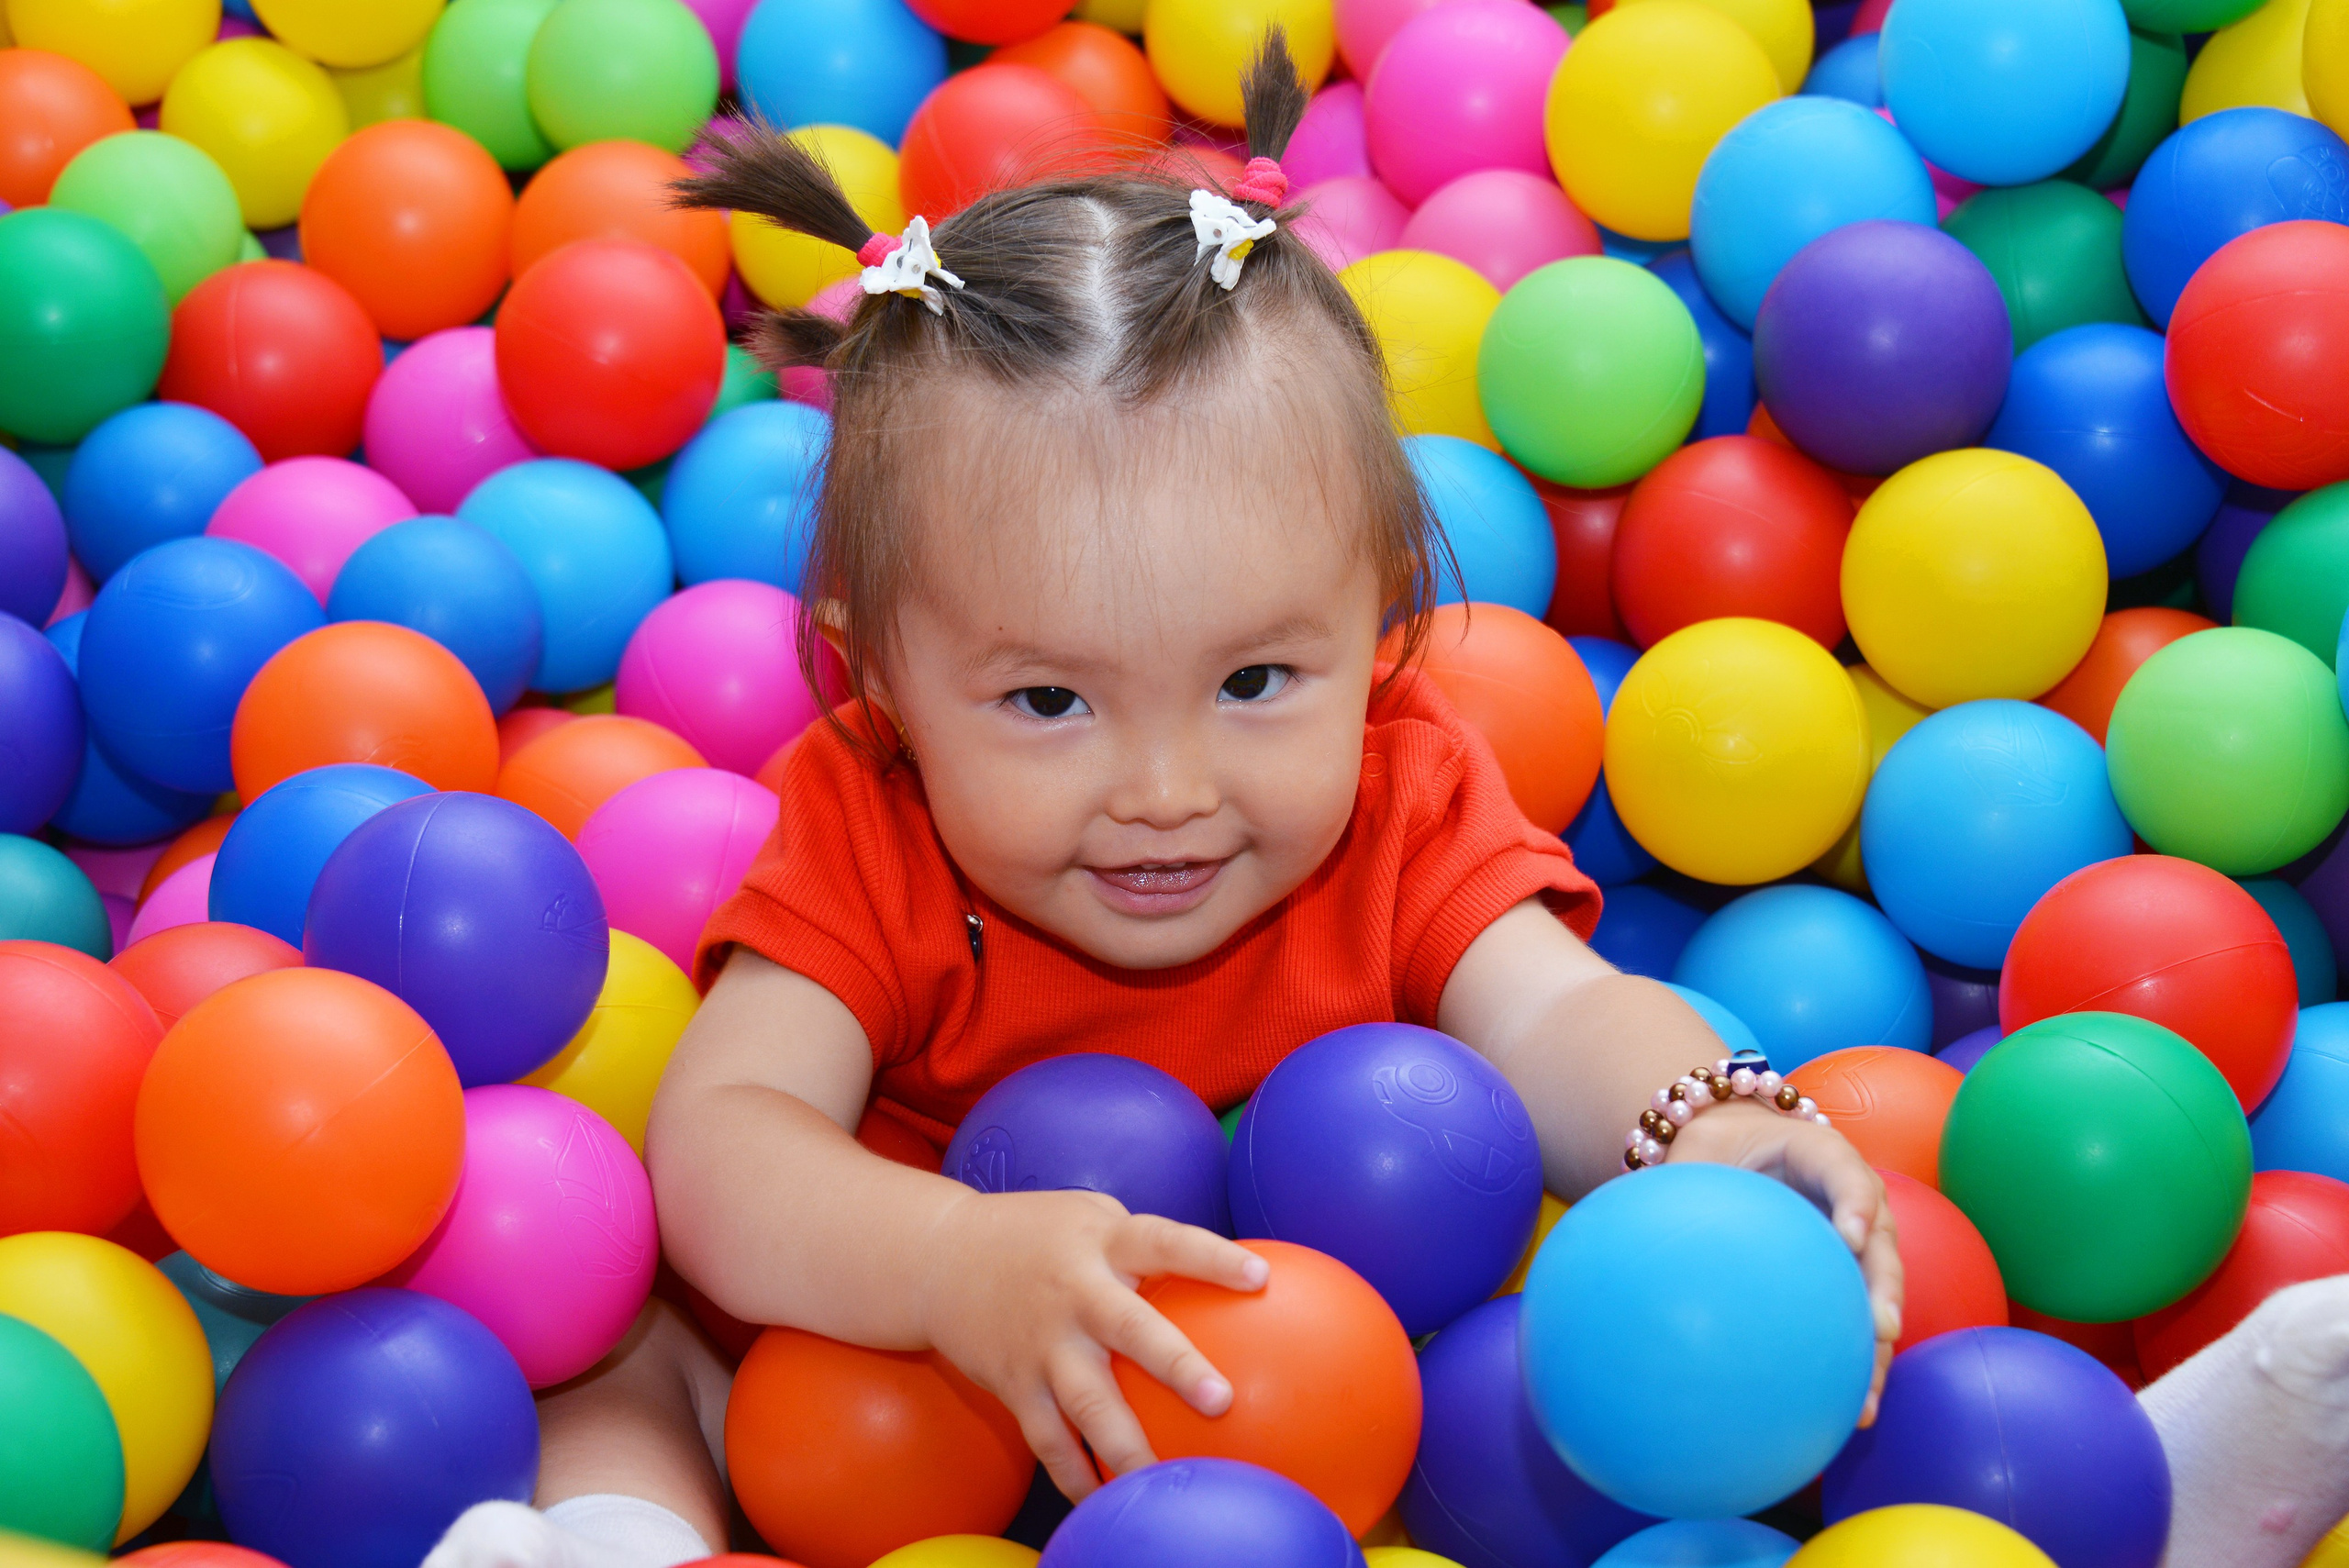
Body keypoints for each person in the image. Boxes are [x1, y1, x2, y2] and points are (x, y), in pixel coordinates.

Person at [425, 38, 2341, 1568]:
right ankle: (606, 1549)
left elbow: (1558, 1011)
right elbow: (725, 1142)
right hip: (901, 1397)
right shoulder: (866, 819)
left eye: (1258, 681)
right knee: (619, 1339)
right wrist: (946, 1265)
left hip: (1338, 1376)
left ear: (1383, 636)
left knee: (1759, 1297)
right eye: (1043, 701)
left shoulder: (1401, 787)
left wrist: (1707, 1118)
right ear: (877, 683)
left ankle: (2121, 1503)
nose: (1163, 790)